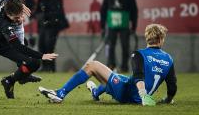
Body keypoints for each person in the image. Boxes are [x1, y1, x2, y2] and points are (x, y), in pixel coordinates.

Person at [39, 23, 177, 106]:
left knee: (92, 66)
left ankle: (60, 94)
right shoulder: (168, 59)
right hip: (137, 96)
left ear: (148, 37)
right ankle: (95, 92)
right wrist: (167, 100)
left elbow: (138, 76)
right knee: (118, 77)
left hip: (129, 94)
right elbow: (172, 87)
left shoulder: (139, 54)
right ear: (160, 39)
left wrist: (143, 96)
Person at [0, 0, 58, 99]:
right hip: (1, 45)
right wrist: (42, 55)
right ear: (7, 14)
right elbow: (18, 47)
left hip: (2, 36)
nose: (20, 19)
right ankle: (9, 81)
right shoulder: (4, 26)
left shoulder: (8, 3)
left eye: (20, 15)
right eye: (16, 17)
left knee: (29, 54)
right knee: (34, 62)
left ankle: (22, 76)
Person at [100, 0, 138, 72]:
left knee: (125, 46)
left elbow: (134, 11)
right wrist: (102, 25)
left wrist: (134, 26)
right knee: (110, 46)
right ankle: (111, 65)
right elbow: (103, 10)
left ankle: (124, 67)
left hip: (124, 26)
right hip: (111, 25)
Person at [34, 0, 69, 72]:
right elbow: (37, 11)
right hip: (43, 26)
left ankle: (51, 68)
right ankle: (44, 66)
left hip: (53, 26)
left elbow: (58, 13)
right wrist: (38, 16)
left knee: (49, 46)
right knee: (41, 46)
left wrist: (45, 16)